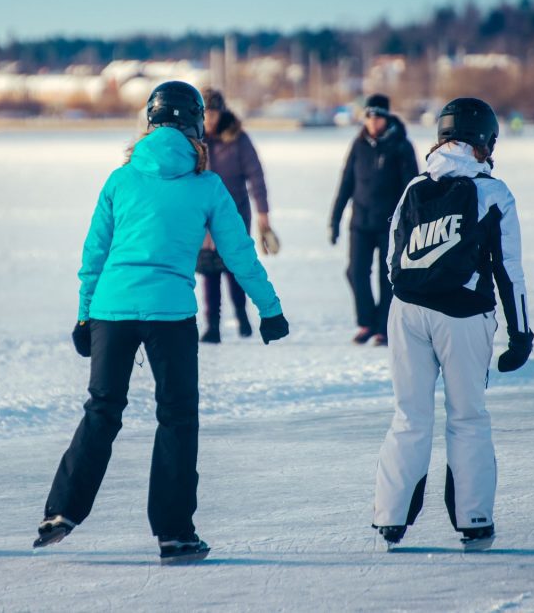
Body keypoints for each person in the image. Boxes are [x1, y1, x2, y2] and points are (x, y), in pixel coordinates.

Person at [34, 81, 289, 563]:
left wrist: (85, 314)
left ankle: (61, 510)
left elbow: (94, 254)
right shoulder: (207, 185)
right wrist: (269, 310)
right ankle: (174, 533)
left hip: (111, 308)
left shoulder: (120, 178)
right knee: (176, 417)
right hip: (170, 314)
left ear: (148, 125)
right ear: (196, 128)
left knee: (102, 409)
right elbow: (241, 255)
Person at [372, 97, 534, 551]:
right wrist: (520, 334)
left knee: (409, 415)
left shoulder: (413, 188)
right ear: (484, 141)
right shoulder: (492, 192)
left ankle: (390, 519)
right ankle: (474, 520)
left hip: (406, 312)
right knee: (467, 417)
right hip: (463, 317)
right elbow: (509, 269)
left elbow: (391, 261)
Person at [329, 93, 418, 346]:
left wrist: (411, 224)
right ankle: (367, 322)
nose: (372, 122)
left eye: (377, 117)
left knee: (385, 277)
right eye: (368, 117)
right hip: (360, 223)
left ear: (387, 118)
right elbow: (346, 183)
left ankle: (383, 328)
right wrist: (334, 220)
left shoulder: (401, 145)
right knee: (355, 272)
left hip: (390, 225)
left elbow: (413, 188)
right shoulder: (359, 145)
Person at [196, 87, 277, 343]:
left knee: (234, 268)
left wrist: (263, 214)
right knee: (209, 271)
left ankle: (242, 315)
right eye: (206, 113)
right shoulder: (193, 140)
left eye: (214, 112)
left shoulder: (238, 139)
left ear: (222, 112)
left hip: (235, 214)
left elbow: (256, 177)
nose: (210, 118)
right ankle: (213, 326)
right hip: (204, 217)